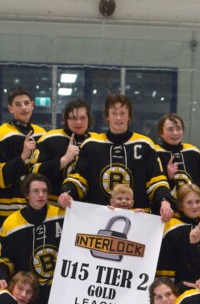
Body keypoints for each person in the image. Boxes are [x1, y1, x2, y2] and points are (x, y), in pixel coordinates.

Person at [57, 94, 174, 222]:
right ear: (107, 116)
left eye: (123, 113)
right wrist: (66, 193)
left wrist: (165, 201)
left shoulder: (145, 145)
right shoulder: (91, 145)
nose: (118, 118)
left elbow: (156, 180)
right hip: (98, 218)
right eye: (114, 113)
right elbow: (78, 180)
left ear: (129, 116)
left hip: (137, 219)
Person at [0, 173, 64, 304]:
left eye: (44, 191)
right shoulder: (11, 224)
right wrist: (1, 278)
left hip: (58, 288)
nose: (41, 195)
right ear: (26, 194)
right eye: (36, 191)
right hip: (28, 292)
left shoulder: (62, 215)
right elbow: (2, 258)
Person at [0, 87, 45, 227]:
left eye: (26, 103)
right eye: (18, 104)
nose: (24, 107)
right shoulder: (0, 134)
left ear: (32, 105)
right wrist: (23, 156)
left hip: (38, 208)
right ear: (10, 109)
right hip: (9, 212)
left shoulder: (42, 134)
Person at [32, 98, 93, 206]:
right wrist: (63, 160)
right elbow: (34, 172)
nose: (78, 122)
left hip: (87, 210)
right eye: (73, 118)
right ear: (65, 119)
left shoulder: (96, 142)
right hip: (54, 208)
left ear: (89, 118)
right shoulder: (50, 138)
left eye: (82, 118)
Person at [156, 184, 200, 287]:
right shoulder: (171, 229)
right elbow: (165, 266)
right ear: (180, 206)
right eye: (189, 202)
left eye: (198, 201)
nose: (194, 206)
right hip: (178, 289)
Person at [155, 113, 200, 194]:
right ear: (161, 133)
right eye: (170, 129)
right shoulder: (154, 153)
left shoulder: (193, 152)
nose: (175, 133)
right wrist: (168, 176)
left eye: (179, 128)